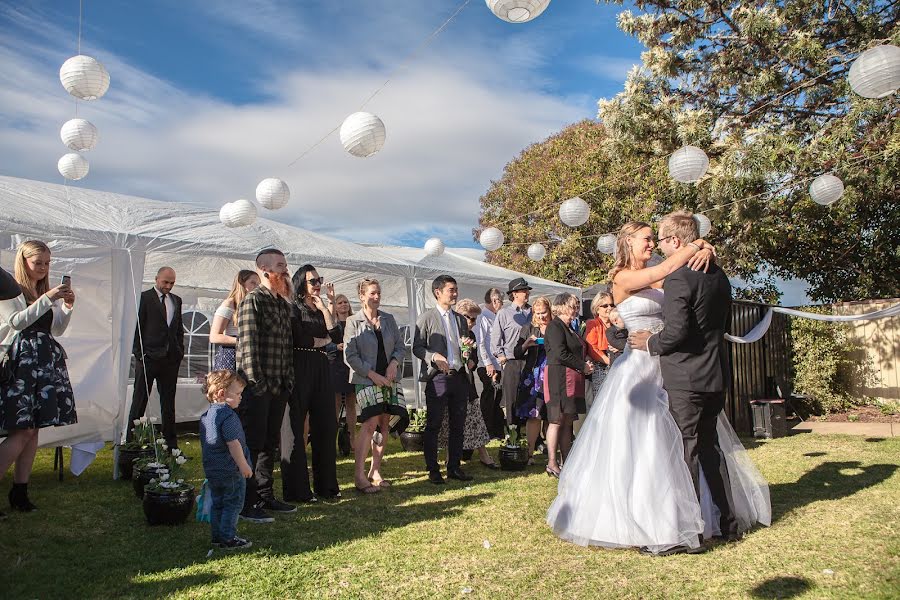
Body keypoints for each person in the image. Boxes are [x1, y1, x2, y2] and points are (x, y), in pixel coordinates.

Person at [547, 220, 769, 555]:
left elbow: (680, 281)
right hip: (637, 369)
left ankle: (688, 514)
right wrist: (698, 245)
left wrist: (704, 248)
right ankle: (647, 518)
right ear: (628, 241)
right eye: (647, 239)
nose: (651, 244)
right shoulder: (621, 277)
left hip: (668, 364)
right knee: (644, 444)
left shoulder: (664, 275)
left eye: (655, 238)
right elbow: (668, 267)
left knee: (682, 444)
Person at [629, 210, 771, 550]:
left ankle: (689, 533)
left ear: (676, 241)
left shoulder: (679, 278)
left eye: (662, 240)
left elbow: (676, 332)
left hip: (685, 376)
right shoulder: (719, 276)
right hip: (715, 374)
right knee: (711, 450)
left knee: (686, 452)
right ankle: (728, 522)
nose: (661, 246)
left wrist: (651, 342)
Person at [0, 242, 76, 513]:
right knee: (22, 431)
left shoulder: (40, 291)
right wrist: (49, 298)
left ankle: (20, 491)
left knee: (33, 432)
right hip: (21, 364)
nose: (43, 269)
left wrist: (66, 307)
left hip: (43, 364)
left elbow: (56, 330)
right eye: (38, 263)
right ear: (24, 262)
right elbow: (16, 322)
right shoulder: (11, 289)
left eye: (47, 263)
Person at [236, 249, 296, 523]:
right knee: (252, 444)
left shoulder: (283, 304)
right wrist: (257, 386)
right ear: (263, 268)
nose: (285, 270)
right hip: (258, 389)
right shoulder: (252, 301)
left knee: (270, 444)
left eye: (285, 265)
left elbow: (287, 348)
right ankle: (246, 502)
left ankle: (265, 495)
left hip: (280, 386)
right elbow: (247, 348)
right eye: (280, 265)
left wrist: (288, 382)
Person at [281, 264, 341, 502]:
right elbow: (299, 338)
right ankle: (297, 490)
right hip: (299, 368)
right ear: (300, 284)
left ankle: (326, 487)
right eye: (313, 281)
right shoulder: (293, 308)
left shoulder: (319, 308)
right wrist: (322, 340)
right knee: (294, 429)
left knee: (327, 426)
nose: (318, 284)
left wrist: (326, 310)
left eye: (319, 280)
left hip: (321, 368)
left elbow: (336, 337)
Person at [343, 278, 408, 493]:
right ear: (362, 296)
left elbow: (400, 346)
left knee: (383, 424)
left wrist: (393, 364)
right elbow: (349, 355)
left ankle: (375, 470)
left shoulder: (388, 319)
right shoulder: (353, 321)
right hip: (366, 379)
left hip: (390, 379)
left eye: (378, 293)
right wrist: (372, 374)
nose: (377, 297)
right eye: (372, 293)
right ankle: (359, 475)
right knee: (369, 423)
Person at [413, 275, 475, 485]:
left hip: (459, 377)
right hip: (438, 377)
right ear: (438, 292)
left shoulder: (459, 319)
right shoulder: (426, 317)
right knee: (434, 424)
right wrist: (433, 357)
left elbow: (465, 346)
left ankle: (454, 467)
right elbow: (417, 347)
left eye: (456, 289)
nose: (455, 293)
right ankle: (433, 469)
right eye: (451, 290)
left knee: (458, 424)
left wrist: (468, 354)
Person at [127, 266, 184, 450]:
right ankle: (132, 442)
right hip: (148, 357)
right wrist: (139, 354)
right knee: (139, 401)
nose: (168, 286)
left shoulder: (176, 300)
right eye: (165, 282)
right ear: (156, 279)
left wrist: (178, 351)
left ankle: (171, 444)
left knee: (168, 404)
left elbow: (178, 328)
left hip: (170, 358)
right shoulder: (144, 298)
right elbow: (137, 327)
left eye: (172, 283)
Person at [438, 299, 497, 469]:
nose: (472, 322)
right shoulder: (450, 332)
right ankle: (450, 458)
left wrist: (470, 360)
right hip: (450, 381)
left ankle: (483, 454)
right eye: (469, 318)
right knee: (451, 420)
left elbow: (474, 358)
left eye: (474, 319)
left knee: (475, 419)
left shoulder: (471, 335)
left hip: (466, 383)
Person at [200, 369, 253, 550]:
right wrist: (243, 465)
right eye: (237, 394)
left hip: (213, 470)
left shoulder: (206, 416)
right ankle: (228, 538)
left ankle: (217, 536)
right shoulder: (228, 416)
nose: (240, 398)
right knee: (233, 504)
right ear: (222, 394)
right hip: (231, 471)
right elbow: (234, 444)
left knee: (218, 503)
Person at [543, 293, 594, 478]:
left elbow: (579, 349)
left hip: (572, 377)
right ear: (563, 306)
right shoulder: (555, 326)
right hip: (559, 377)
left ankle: (567, 461)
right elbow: (559, 353)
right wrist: (582, 365)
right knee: (557, 419)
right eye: (573, 306)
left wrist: (585, 362)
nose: (576, 309)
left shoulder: (569, 327)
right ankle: (551, 462)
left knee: (567, 421)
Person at [511, 296, 552, 465]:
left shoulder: (556, 327)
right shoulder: (528, 328)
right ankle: (529, 453)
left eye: (544, 313)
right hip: (533, 376)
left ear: (550, 311)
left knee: (551, 415)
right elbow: (517, 353)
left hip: (552, 373)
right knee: (533, 415)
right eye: (537, 313)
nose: (541, 317)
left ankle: (551, 453)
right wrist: (527, 344)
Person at [490, 278, 532, 427]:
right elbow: (495, 340)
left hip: (531, 361)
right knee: (512, 399)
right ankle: (512, 434)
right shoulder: (504, 313)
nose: (527, 293)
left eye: (527, 290)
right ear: (514, 294)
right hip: (512, 362)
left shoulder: (534, 312)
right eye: (523, 290)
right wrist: (502, 357)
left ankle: (533, 436)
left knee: (531, 397)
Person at [210, 270, 260, 371]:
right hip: (230, 354)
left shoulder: (253, 304)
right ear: (242, 283)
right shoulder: (229, 303)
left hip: (248, 355)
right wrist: (241, 341)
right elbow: (214, 337)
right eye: (253, 283)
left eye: (258, 284)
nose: (257, 287)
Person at [328, 293, 357, 451]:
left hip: (351, 366)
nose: (344, 305)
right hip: (335, 365)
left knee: (352, 403)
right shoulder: (331, 322)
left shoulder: (355, 322)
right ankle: (331, 439)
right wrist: (335, 347)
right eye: (340, 302)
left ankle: (352, 438)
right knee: (336, 404)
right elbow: (324, 344)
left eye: (346, 302)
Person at [474, 288, 504, 439]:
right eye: (501, 301)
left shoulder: (496, 316)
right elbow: (480, 343)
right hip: (487, 365)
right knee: (489, 397)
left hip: (498, 364)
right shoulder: (482, 317)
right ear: (494, 301)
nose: (502, 304)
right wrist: (487, 363)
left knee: (497, 396)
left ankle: (497, 430)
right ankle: (487, 429)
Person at [584, 291, 614, 387]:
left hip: (617, 364)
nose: (609, 308)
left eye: (612, 305)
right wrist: (610, 362)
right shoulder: (592, 324)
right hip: (600, 367)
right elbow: (592, 349)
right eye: (605, 306)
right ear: (597, 309)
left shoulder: (618, 323)